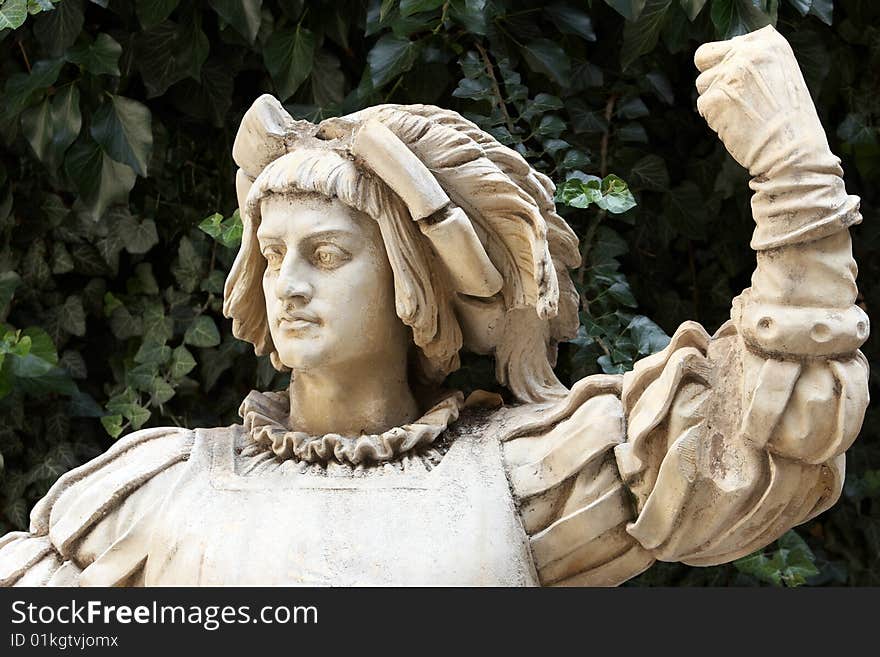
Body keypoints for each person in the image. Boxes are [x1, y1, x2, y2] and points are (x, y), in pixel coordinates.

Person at [0, 26, 868, 586]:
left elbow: (767, 438)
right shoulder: (160, 490)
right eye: (271, 256)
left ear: (412, 287)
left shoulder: (524, 479)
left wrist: (795, 181)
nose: (288, 283)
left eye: (328, 254)